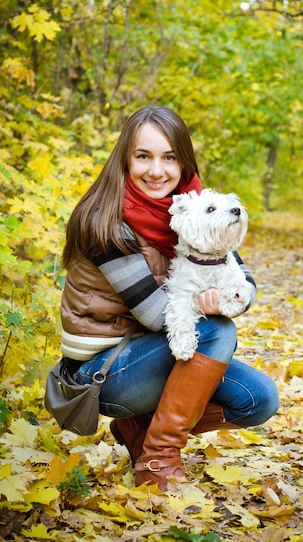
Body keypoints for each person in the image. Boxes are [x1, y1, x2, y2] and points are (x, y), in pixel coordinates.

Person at [60, 105, 280, 490]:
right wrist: (212, 303)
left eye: (169, 157)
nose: (157, 170)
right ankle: (158, 460)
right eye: (143, 157)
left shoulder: (194, 208)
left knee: (258, 399)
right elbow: (156, 315)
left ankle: (140, 428)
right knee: (216, 332)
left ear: (183, 163)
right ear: (125, 160)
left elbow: (241, 277)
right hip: (100, 371)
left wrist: (235, 297)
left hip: (152, 354)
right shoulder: (104, 221)